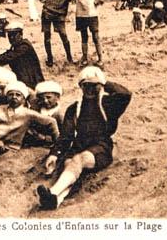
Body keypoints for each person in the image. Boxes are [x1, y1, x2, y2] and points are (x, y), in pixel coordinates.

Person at [36, 67, 131, 210]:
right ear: (81, 87)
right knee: (70, 164)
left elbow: (125, 94)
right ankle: (55, 200)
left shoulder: (108, 104)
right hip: (79, 146)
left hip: (101, 146)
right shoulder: (74, 109)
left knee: (78, 160)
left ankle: (52, 192)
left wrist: (103, 81)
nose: (90, 90)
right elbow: (66, 137)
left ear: (100, 86)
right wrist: (54, 154)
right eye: (86, 85)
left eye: (94, 86)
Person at [0, 21, 44, 89]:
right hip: (24, 79)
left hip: (33, 81)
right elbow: (6, 55)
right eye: (9, 36)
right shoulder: (16, 46)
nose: (11, 38)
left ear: (20, 34)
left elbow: (7, 57)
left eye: (14, 35)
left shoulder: (24, 46)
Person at [36, 0, 76, 66]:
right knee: (47, 35)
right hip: (47, 12)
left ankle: (69, 57)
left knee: (63, 35)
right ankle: (50, 58)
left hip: (60, 14)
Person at [74, 0, 111, 67]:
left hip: (92, 14)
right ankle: (85, 57)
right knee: (83, 36)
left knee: (96, 36)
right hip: (80, 14)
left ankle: (100, 58)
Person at [25, 80, 65, 146]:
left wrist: (44, 138)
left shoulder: (60, 114)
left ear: (57, 97)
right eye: (42, 98)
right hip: (33, 142)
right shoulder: (37, 109)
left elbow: (64, 136)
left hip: (51, 145)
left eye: (48, 97)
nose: (45, 101)